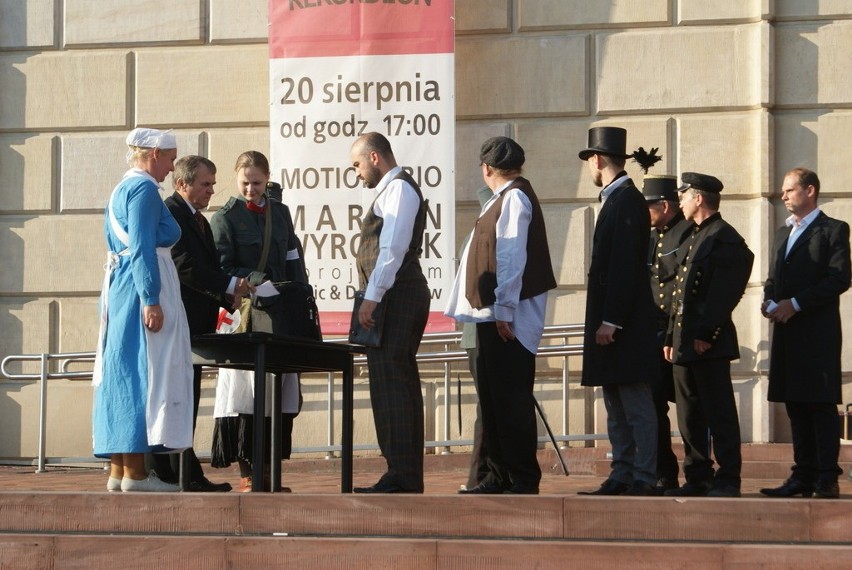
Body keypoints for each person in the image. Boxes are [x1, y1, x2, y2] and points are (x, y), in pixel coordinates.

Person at [446, 137, 557, 495]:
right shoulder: (502, 198)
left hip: (505, 317)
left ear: (486, 168)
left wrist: (505, 309)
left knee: (510, 402)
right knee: (494, 404)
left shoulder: (514, 198)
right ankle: (498, 475)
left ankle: (522, 478)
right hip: (490, 315)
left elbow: (510, 255)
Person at [92, 127, 193, 492]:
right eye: (169, 158)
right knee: (142, 371)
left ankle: (120, 470)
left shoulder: (124, 188)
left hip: (121, 286)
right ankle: (134, 473)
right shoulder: (144, 190)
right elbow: (142, 247)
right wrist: (151, 297)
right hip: (140, 286)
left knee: (121, 368)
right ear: (153, 155)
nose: (171, 166)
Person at [151, 155, 252, 492]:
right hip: (177, 322)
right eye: (205, 184)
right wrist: (228, 286)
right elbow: (185, 268)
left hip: (197, 323)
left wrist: (228, 297)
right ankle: (175, 471)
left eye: (212, 183)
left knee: (188, 394)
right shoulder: (171, 215)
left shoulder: (198, 220)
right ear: (183, 184)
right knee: (176, 396)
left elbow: (206, 269)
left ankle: (186, 470)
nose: (211, 190)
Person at [209, 150, 307, 492]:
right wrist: (254, 278)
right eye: (244, 183)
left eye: (257, 183)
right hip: (246, 314)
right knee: (246, 396)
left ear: (267, 179)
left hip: (280, 314)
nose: (251, 189)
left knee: (279, 395)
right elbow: (220, 268)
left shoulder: (279, 213)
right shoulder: (225, 218)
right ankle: (249, 472)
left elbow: (293, 256)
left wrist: (299, 293)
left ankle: (270, 472)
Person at [576, 126, 661, 497]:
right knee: (615, 401)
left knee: (635, 403)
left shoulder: (626, 200)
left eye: (589, 161)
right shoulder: (616, 199)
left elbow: (625, 265)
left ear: (597, 159)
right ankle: (623, 471)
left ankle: (643, 473)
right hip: (614, 323)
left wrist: (612, 319)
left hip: (625, 325)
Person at [760, 168, 851, 499]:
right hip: (787, 332)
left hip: (817, 333)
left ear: (809, 191)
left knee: (819, 404)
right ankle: (802, 474)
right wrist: (769, 300)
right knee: (795, 404)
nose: (783, 195)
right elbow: (773, 277)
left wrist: (795, 304)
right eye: (783, 191)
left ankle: (827, 477)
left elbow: (839, 279)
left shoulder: (833, 230)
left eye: (789, 190)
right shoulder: (783, 234)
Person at [663, 172, 753, 498]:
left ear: (698, 198)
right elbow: (680, 293)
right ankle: (698, 475)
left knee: (719, 414)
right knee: (689, 415)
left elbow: (725, 292)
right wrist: (670, 337)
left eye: (684, 196)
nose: (680, 202)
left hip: (707, 344)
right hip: (684, 344)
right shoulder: (695, 235)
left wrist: (706, 333)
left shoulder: (723, 236)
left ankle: (729, 478)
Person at [349, 132, 430, 494]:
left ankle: (402, 474)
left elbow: (392, 249)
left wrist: (373, 296)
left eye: (357, 164)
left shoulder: (398, 190)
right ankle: (402, 471)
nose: (357, 173)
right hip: (395, 295)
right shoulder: (393, 190)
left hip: (396, 296)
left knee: (393, 385)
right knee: (393, 383)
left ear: (375, 157)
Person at [644, 175, 693, 493]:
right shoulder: (651, 238)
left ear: (664, 205)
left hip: (680, 334)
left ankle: (699, 471)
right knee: (653, 406)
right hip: (653, 336)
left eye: (648, 206)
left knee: (691, 409)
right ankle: (665, 471)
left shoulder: (688, 233)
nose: (645, 213)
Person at [460, 185, 496, 491]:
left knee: (491, 408)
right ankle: (479, 475)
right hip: (481, 333)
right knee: (488, 409)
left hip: (481, 334)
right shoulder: (479, 237)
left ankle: (485, 473)